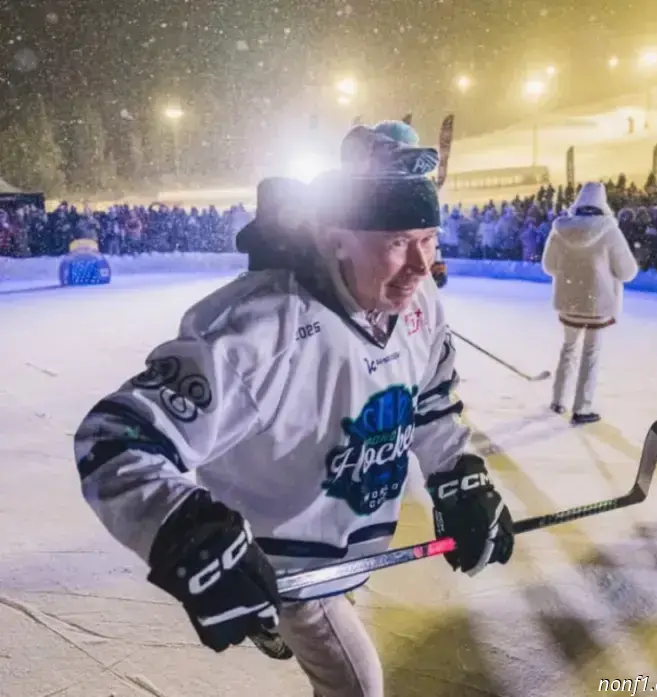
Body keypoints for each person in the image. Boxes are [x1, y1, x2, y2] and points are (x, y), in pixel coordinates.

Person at [74, 121, 515, 697]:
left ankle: (274, 621)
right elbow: (113, 440)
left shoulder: (420, 302)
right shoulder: (260, 328)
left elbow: (430, 395)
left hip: (349, 545)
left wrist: (459, 475)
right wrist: (188, 532)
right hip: (281, 558)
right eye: (398, 242)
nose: (420, 266)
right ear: (337, 239)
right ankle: (276, 610)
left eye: (429, 239)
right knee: (358, 684)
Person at [542, 181, 638, 424]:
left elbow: (549, 266)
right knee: (591, 354)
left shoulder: (560, 229)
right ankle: (582, 407)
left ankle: (558, 400)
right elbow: (626, 271)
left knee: (568, 350)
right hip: (598, 303)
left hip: (569, 302)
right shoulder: (609, 230)